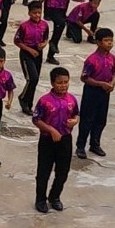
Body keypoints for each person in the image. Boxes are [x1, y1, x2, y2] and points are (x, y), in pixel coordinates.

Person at [33, 66, 79, 214]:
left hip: (65, 140)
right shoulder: (44, 101)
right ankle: (40, 199)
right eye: (60, 83)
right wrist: (51, 130)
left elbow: (76, 114)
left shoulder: (71, 99)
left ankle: (55, 197)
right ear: (53, 83)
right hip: (47, 141)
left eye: (66, 82)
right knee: (44, 172)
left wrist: (75, 121)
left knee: (63, 172)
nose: (63, 85)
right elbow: (36, 119)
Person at [76, 28, 115, 160]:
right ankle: (80, 146)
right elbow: (84, 78)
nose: (109, 43)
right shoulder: (92, 60)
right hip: (92, 92)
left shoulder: (112, 58)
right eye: (106, 40)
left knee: (101, 119)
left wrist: (112, 83)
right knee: (87, 120)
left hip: (105, 92)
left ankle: (95, 143)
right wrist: (100, 84)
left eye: (111, 40)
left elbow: (114, 73)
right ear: (98, 42)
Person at [14, 1, 48, 115]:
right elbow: (17, 41)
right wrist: (29, 50)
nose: (37, 15)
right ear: (29, 13)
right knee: (32, 78)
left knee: (36, 80)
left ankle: (29, 104)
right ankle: (23, 98)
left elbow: (46, 38)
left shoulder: (44, 25)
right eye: (34, 13)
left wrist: (43, 44)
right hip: (26, 53)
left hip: (38, 53)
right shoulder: (24, 26)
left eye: (39, 13)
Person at [41, 0, 76, 64]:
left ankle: (51, 54)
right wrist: (39, 8)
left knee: (58, 30)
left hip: (62, 10)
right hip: (52, 10)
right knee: (61, 23)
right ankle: (53, 43)